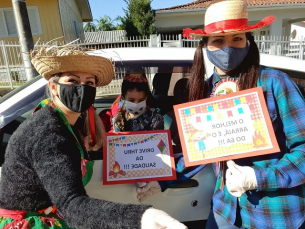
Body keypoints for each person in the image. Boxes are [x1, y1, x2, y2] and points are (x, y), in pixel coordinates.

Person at [0, 45, 187, 229]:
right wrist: (142, 217)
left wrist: (140, 167)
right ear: (54, 87)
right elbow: (71, 206)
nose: (82, 89)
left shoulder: (70, 124)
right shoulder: (47, 132)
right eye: (73, 81)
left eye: (89, 83)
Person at [182, 0, 305, 229]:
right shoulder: (205, 91)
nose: (228, 47)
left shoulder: (274, 83)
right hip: (225, 211)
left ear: (248, 42)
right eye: (218, 40)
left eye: (237, 39)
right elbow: (201, 150)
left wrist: (258, 177)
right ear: (205, 46)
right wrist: (159, 176)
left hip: (274, 214)